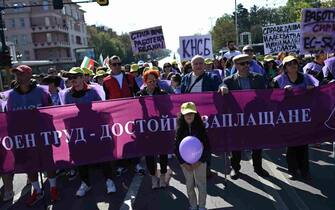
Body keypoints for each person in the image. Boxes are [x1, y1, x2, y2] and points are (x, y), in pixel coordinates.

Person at [5, 65, 59, 206]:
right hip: (24, 138)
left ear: (29, 75)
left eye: (22, 74)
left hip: (42, 134)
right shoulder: (11, 95)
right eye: (17, 75)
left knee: (48, 162)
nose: (19, 77)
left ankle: (53, 188)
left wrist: (52, 132)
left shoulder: (41, 92)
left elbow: (50, 112)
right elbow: (9, 117)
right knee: (30, 166)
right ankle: (37, 190)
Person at [62, 67, 116, 196]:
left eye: (75, 77)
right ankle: (86, 183)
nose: (72, 80)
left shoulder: (92, 92)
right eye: (70, 78)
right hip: (78, 132)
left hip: (95, 129)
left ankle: (109, 181)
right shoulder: (67, 94)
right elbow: (66, 113)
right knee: (81, 158)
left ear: (82, 77)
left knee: (103, 156)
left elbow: (101, 109)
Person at [218, 54, 270, 180]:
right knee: (236, 144)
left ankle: (258, 167)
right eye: (242, 64)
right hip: (237, 118)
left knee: (257, 144)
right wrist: (223, 88)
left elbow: (265, 95)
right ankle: (235, 168)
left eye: (248, 63)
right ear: (236, 65)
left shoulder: (258, 78)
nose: (246, 66)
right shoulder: (229, 81)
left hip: (254, 116)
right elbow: (221, 86)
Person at [272, 55, 318, 180]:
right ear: (285, 67)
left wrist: (312, 89)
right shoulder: (278, 80)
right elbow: (273, 99)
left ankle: (305, 171)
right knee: (291, 145)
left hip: (303, 117)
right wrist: (283, 92)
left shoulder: (307, 78)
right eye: (289, 63)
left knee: (303, 144)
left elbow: (318, 89)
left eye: (295, 63)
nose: (293, 65)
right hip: (287, 118)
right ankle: (293, 170)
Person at [103, 55, 145, 176]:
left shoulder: (129, 77)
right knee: (119, 139)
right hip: (116, 116)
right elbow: (106, 100)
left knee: (133, 137)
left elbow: (137, 92)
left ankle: (136, 163)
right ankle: (121, 164)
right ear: (109, 65)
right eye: (114, 64)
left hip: (130, 114)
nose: (117, 66)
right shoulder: (106, 81)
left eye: (119, 63)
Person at [181, 55, 221, 178]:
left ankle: (206, 168)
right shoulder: (186, 78)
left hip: (206, 116)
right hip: (190, 115)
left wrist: (222, 87)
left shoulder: (212, 77)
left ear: (204, 65)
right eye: (196, 64)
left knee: (205, 142)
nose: (198, 66)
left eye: (200, 63)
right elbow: (182, 94)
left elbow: (220, 84)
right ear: (191, 66)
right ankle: (192, 167)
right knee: (191, 142)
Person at [136, 70, 168, 188]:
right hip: (147, 130)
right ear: (145, 81)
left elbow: (168, 109)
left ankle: (163, 175)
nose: (152, 83)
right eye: (149, 81)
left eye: (154, 80)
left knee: (163, 153)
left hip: (160, 128)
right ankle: (153, 177)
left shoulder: (163, 93)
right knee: (150, 154)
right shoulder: (140, 94)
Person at [175, 102, 210, 210]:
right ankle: (193, 206)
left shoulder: (200, 128)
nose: (189, 115)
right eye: (186, 113)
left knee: (201, 184)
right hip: (186, 164)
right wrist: (183, 163)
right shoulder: (179, 129)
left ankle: (202, 206)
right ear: (182, 115)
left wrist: (199, 161)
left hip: (200, 162)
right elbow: (176, 148)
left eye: (191, 113)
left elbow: (207, 147)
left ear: (195, 114)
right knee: (189, 184)